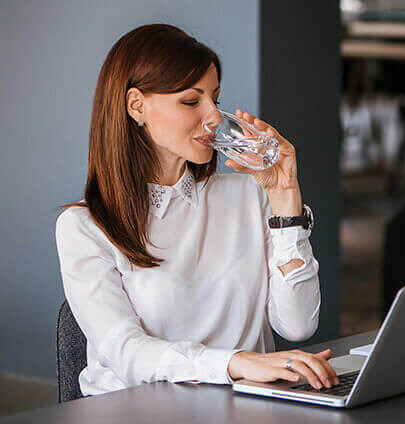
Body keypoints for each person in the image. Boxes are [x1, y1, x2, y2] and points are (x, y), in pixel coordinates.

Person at [55, 23, 338, 396]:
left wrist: (286, 197)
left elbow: (298, 326)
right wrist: (236, 362)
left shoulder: (249, 195)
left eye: (215, 99)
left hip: (246, 409)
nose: (214, 116)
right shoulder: (83, 226)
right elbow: (126, 353)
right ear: (136, 106)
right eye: (192, 101)